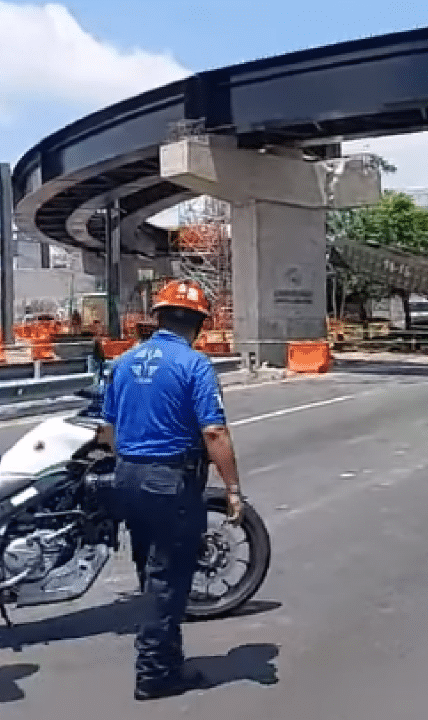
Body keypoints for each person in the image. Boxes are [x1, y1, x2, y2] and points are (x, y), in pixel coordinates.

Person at [96, 279, 244, 701]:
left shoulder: (123, 363)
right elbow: (213, 432)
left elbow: (108, 431)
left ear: (158, 317)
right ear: (198, 323)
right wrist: (232, 488)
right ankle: (155, 673)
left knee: (152, 572)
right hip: (170, 482)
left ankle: (168, 659)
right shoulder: (194, 365)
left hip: (128, 477)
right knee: (168, 579)